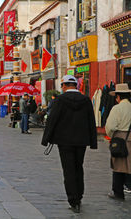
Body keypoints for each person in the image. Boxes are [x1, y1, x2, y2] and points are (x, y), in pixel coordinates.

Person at [41, 75, 97, 213]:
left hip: (64, 141)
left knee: (69, 169)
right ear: (76, 85)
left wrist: (46, 139)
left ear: (64, 85)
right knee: (79, 167)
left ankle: (73, 199)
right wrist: (93, 142)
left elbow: (52, 120)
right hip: (81, 141)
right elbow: (91, 121)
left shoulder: (60, 100)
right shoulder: (86, 100)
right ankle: (79, 195)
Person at [105, 84, 131, 200]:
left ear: (118, 97)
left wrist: (112, 136)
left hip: (120, 138)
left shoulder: (117, 108)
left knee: (119, 165)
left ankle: (118, 192)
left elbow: (110, 127)